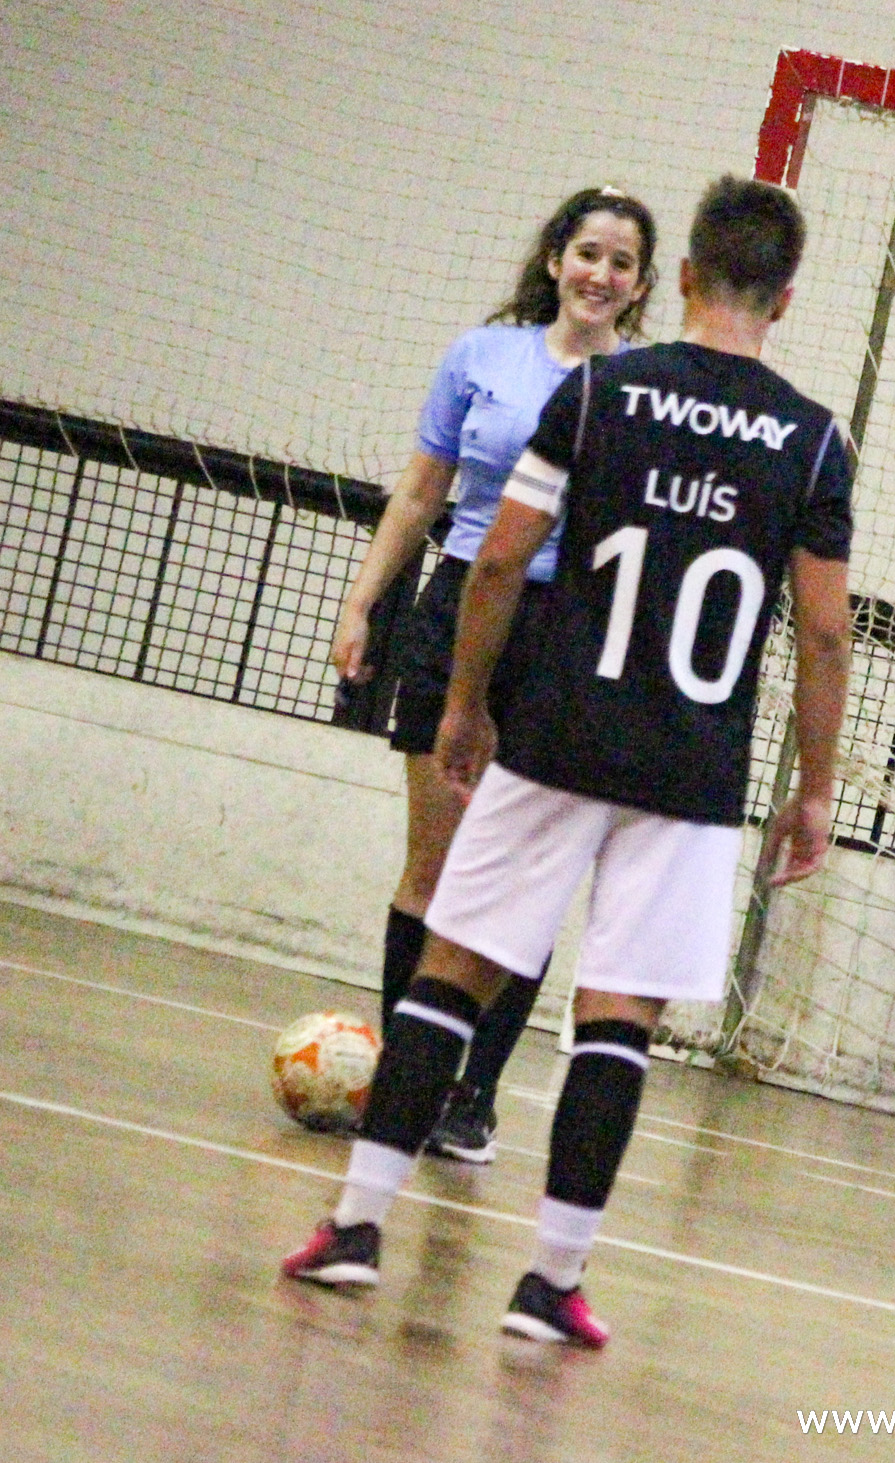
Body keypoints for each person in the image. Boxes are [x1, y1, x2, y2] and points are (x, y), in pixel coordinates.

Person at [284, 175, 854, 1348]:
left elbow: (497, 562)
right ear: (785, 299)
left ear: (681, 276)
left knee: (454, 968)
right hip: (690, 765)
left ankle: (354, 1228)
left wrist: (461, 705)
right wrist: (814, 787)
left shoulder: (598, 390)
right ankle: (550, 1283)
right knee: (615, 1017)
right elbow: (825, 630)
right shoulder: (812, 443)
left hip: (557, 728)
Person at [330, 186, 658, 1162]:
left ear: (639, 286)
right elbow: (424, 487)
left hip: (565, 630)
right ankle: (404, 1080)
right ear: (557, 258)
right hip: (461, 610)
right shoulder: (481, 358)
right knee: (434, 864)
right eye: (587, 253)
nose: (600, 274)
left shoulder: (640, 388)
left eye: (621, 263)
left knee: (518, 877)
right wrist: (362, 600)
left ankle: (469, 1098)